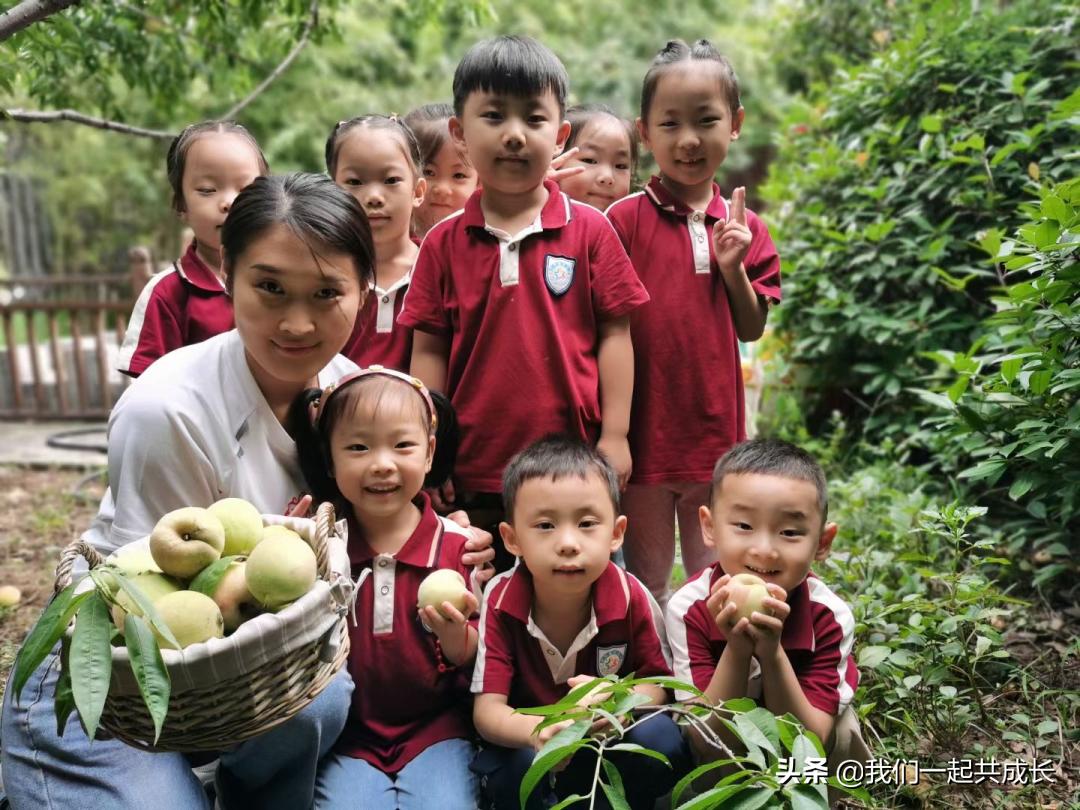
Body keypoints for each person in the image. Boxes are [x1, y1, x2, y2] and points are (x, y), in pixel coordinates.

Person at [1, 173, 494, 810]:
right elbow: (143, 612)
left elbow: (390, 519)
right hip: (116, 680)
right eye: (269, 287)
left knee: (325, 693)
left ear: (366, 292)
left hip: (248, 676)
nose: (296, 322)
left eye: (326, 293)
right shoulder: (168, 410)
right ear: (227, 273)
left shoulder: (356, 398)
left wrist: (451, 546)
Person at [399, 36, 649, 556]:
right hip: (473, 472)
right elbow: (429, 351)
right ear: (459, 134)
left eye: (533, 120)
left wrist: (617, 436)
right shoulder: (443, 244)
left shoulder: (590, 231)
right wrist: (433, 446)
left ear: (558, 136)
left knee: (583, 596)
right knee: (481, 609)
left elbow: (616, 334)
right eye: (493, 116)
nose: (514, 135)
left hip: (576, 468)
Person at [606, 40, 782, 606]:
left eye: (706, 120)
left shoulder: (747, 226)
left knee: (719, 582)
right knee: (647, 583)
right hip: (644, 441)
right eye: (670, 123)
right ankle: (656, 688)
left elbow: (750, 329)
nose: (688, 140)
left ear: (735, 125)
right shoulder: (621, 221)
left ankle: (712, 686)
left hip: (716, 440)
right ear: (644, 133)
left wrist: (733, 267)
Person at [289, 367, 479, 809]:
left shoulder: (455, 547)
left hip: (437, 731)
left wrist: (456, 639)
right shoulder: (322, 547)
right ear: (329, 458)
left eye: (403, 445)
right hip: (348, 738)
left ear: (430, 453)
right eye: (357, 447)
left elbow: (480, 657)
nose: (381, 463)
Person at [470, 435, 688, 809]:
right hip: (530, 747)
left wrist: (616, 699)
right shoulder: (502, 599)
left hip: (605, 745)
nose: (568, 542)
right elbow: (488, 711)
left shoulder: (630, 595)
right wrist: (541, 735)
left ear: (616, 533)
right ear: (511, 538)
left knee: (663, 742)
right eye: (544, 526)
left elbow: (659, 688)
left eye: (587, 523)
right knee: (519, 769)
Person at [664, 439, 869, 778]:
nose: (764, 551)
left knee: (843, 734)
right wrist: (738, 649)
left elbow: (811, 739)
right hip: (723, 745)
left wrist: (772, 655)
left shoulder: (828, 616)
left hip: (805, 746)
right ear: (709, 526)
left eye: (789, 532)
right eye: (744, 526)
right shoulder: (690, 608)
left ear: (822, 542)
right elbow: (706, 738)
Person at [118, 121, 269, 377]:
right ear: (181, 205)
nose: (229, 202)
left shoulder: (291, 277)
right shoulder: (167, 293)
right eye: (208, 190)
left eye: (246, 190)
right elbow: (149, 389)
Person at [328, 115, 427, 372]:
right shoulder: (322, 273)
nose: (373, 197)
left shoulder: (436, 269)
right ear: (332, 191)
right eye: (355, 182)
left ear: (418, 192)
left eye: (391, 180)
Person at [404, 103, 480, 240]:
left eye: (458, 175)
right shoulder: (387, 243)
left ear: (479, 182)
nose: (442, 189)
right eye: (428, 172)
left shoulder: (483, 245)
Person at [554, 103, 637, 211]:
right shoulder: (531, 220)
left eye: (620, 166)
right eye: (590, 160)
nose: (607, 177)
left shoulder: (635, 225)